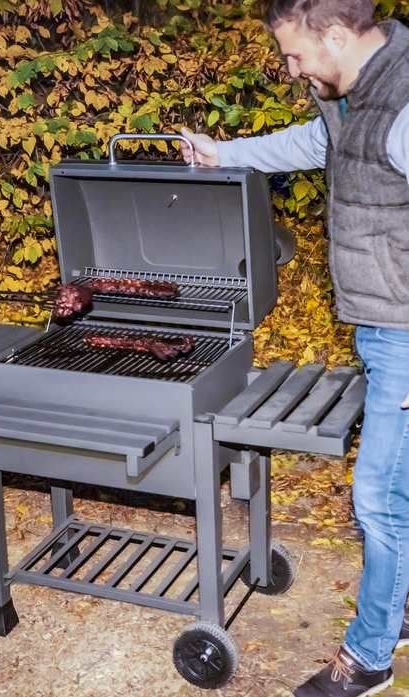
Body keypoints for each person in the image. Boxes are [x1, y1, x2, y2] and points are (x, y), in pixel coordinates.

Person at [181, 1, 409, 695]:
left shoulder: (404, 104)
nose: (291, 68)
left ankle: (368, 657)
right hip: (384, 323)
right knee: (399, 486)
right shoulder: (354, 96)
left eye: (295, 54)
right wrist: (224, 154)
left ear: (336, 36)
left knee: (377, 498)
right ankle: (399, 603)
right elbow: (314, 144)